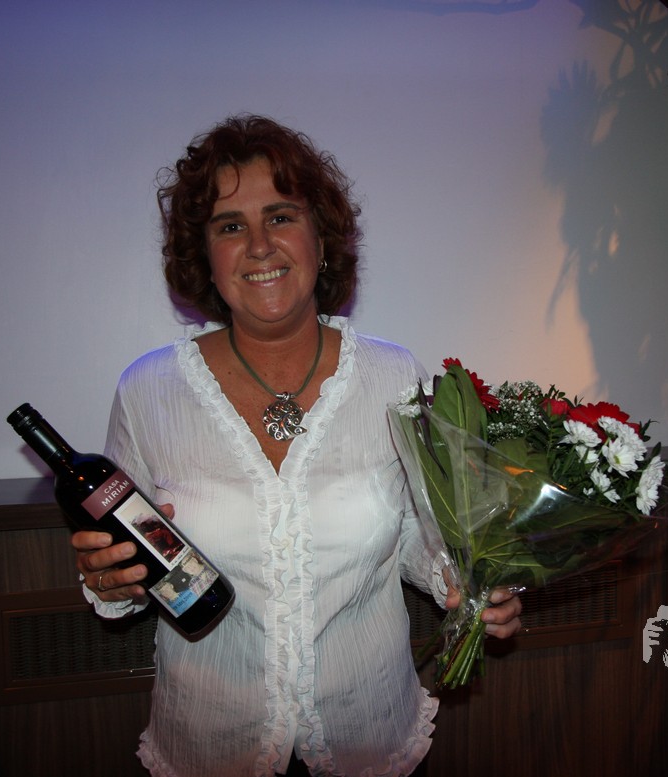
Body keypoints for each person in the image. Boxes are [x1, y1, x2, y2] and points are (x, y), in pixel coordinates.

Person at [71, 115, 522, 777]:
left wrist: (470, 583)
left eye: (280, 216)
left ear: (321, 237)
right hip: (209, 746)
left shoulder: (393, 375)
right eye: (229, 226)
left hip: (370, 737)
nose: (259, 245)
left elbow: (415, 531)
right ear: (204, 255)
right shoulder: (148, 391)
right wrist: (111, 577)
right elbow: (129, 558)